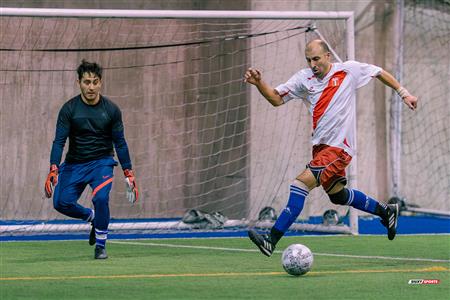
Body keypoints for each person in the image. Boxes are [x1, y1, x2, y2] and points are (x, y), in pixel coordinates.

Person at [244, 39, 418, 257]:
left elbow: (379, 72)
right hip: (321, 147)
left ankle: (271, 239)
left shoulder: (348, 70)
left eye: (316, 58)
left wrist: (404, 93)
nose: (312, 64)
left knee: (300, 183)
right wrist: (259, 83)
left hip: (339, 149)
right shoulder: (303, 79)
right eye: (308, 60)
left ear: (328, 56)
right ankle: (385, 211)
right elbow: (276, 100)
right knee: (337, 195)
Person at [44, 60, 138, 259]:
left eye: (95, 82)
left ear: (100, 83)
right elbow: (59, 141)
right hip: (74, 163)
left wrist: (128, 172)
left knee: (101, 198)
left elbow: (120, 143)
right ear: (79, 82)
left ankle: (101, 246)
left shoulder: (111, 110)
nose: (91, 87)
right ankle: (93, 218)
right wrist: (53, 168)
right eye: (87, 82)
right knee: (60, 203)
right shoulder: (68, 109)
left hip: (101, 163)